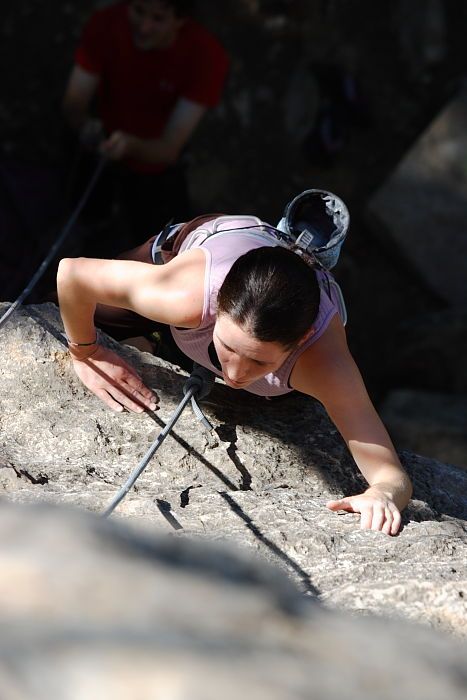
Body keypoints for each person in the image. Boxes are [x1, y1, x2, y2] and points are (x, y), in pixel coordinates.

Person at [57, 200, 413, 537]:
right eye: (227, 347)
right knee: (96, 316)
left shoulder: (322, 364)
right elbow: (72, 275)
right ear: (216, 305)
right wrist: (85, 351)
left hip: (271, 301)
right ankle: (158, 339)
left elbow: (390, 474)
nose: (235, 375)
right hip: (210, 245)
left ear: (302, 340)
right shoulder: (185, 295)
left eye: (259, 360)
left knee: (270, 395)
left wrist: (381, 495)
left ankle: (161, 346)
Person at [62, 0, 229, 253]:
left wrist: (130, 145)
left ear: (180, 20)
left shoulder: (204, 56)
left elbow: (169, 147)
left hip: (154, 163)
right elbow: (75, 103)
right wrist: (85, 126)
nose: (144, 27)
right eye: (138, 11)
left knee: (163, 241)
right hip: (102, 143)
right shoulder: (107, 25)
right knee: (85, 213)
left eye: (158, 19)